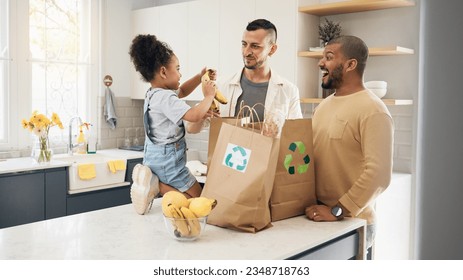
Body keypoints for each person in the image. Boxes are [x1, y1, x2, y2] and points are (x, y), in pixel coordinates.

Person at [305, 35, 394, 259]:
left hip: (352, 223)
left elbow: (379, 175)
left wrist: (337, 211)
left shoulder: (373, 110)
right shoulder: (323, 107)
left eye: (329, 57)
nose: (320, 63)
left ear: (350, 65)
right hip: (319, 218)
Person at [128, 34, 216, 211]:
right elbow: (194, 115)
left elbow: (182, 90)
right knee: (199, 198)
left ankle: (155, 184)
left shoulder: (154, 94)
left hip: (153, 156)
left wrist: (199, 78)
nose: (180, 73)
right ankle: (156, 186)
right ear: (163, 71)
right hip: (169, 161)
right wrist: (209, 96)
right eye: (178, 68)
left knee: (185, 197)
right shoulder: (166, 98)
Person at [187, 18, 302, 133]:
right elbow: (191, 129)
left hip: (268, 151)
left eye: (255, 46)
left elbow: (296, 133)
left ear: (272, 49)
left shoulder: (288, 90)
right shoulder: (221, 85)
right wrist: (201, 116)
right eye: (244, 44)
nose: (246, 52)